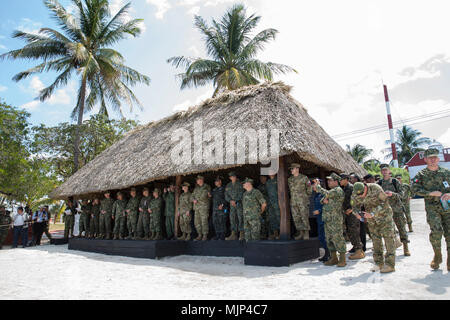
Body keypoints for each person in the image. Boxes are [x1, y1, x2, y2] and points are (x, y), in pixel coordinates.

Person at [412, 148, 450, 271]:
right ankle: (437, 256)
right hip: (432, 209)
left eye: (435, 157)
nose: (433, 160)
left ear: (438, 159)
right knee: (436, 232)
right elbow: (414, 190)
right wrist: (430, 193)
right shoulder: (421, 175)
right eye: (430, 158)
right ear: (425, 159)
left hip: (448, 208)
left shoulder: (446, 172)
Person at [352, 182, 397, 273]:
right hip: (371, 220)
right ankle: (379, 263)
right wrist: (357, 213)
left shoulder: (375, 188)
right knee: (376, 240)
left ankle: (390, 265)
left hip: (384, 217)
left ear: (365, 187)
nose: (361, 196)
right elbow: (354, 206)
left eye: (362, 194)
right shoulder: (355, 193)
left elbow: (384, 203)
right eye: (359, 195)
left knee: (388, 240)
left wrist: (372, 213)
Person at [313, 173, 347, 267]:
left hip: (335, 219)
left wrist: (318, 187)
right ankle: (334, 258)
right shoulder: (331, 191)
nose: (328, 182)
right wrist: (324, 200)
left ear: (336, 181)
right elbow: (322, 200)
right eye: (328, 180)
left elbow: (326, 195)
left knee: (338, 238)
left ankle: (343, 259)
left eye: (330, 180)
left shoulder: (338, 190)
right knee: (329, 239)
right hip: (328, 219)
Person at [378, 164, 410, 256]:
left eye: (386, 170)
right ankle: (391, 249)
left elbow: (402, 195)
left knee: (401, 228)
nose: (384, 172)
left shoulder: (395, 182)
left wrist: (393, 194)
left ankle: (405, 247)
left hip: (397, 209)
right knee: (388, 231)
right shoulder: (379, 183)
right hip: (386, 210)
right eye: (382, 170)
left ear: (389, 171)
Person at [340, 174, 364, 259]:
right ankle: (358, 250)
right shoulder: (345, 188)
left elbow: (359, 200)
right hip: (348, 214)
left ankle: (359, 251)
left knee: (354, 232)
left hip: (353, 214)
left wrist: (351, 209)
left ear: (346, 179)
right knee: (350, 232)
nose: (340, 181)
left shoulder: (351, 187)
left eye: (341, 179)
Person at [288, 163, 312, 240]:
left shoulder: (304, 178)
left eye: (292, 169)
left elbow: (309, 190)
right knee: (296, 217)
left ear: (297, 169)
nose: (291, 170)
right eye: (291, 169)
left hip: (303, 201)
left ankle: (306, 233)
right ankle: (300, 232)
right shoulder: (290, 179)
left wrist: (305, 198)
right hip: (293, 201)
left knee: (304, 216)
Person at [312, 179, 329, 262]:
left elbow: (328, 205)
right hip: (319, 219)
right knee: (321, 238)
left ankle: (328, 255)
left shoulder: (324, 194)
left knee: (326, 237)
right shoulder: (316, 195)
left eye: (314, 184)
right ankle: (325, 255)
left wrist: (319, 210)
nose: (313, 186)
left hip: (324, 218)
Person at [225, 172, 245, 241]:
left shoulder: (240, 184)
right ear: (230, 178)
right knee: (232, 218)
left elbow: (242, 193)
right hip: (232, 205)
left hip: (239, 204)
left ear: (236, 177)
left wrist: (235, 200)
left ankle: (242, 234)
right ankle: (233, 234)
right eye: (231, 177)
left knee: (240, 218)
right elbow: (226, 195)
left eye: (234, 176)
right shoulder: (228, 185)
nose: (232, 177)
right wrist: (230, 201)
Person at [192, 175, 211, 241]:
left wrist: (196, 199)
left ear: (202, 180)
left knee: (204, 221)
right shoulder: (196, 188)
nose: (197, 181)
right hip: (197, 208)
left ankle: (205, 235)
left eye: (198, 179)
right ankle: (199, 235)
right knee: (197, 222)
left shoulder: (207, 187)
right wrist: (193, 200)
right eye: (197, 180)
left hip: (204, 207)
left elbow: (204, 196)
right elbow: (192, 196)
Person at [211, 176, 227, 240]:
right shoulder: (214, 190)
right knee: (215, 221)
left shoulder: (224, 189)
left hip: (222, 208)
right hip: (215, 209)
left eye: (217, 181)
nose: (215, 182)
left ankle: (222, 235)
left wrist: (222, 205)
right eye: (215, 181)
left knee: (222, 221)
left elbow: (227, 198)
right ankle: (218, 235)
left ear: (220, 181)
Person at [266, 174, 280, 240]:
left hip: (277, 201)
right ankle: (275, 233)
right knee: (272, 217)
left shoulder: (278, 180)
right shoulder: (268, 182)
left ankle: (281, 233)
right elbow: (267, 192)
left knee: (279, 217)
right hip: (270, 202)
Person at [257, 175, 270, 240]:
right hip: (261, 206)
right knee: (262, 220)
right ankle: (263, 234)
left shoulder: (269, 185)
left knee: (269, 220)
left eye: (263, 178)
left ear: (265, 178)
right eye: (260, 178)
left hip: (269, 205)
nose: (261, 179)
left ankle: (270, 234)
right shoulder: (259, 187)